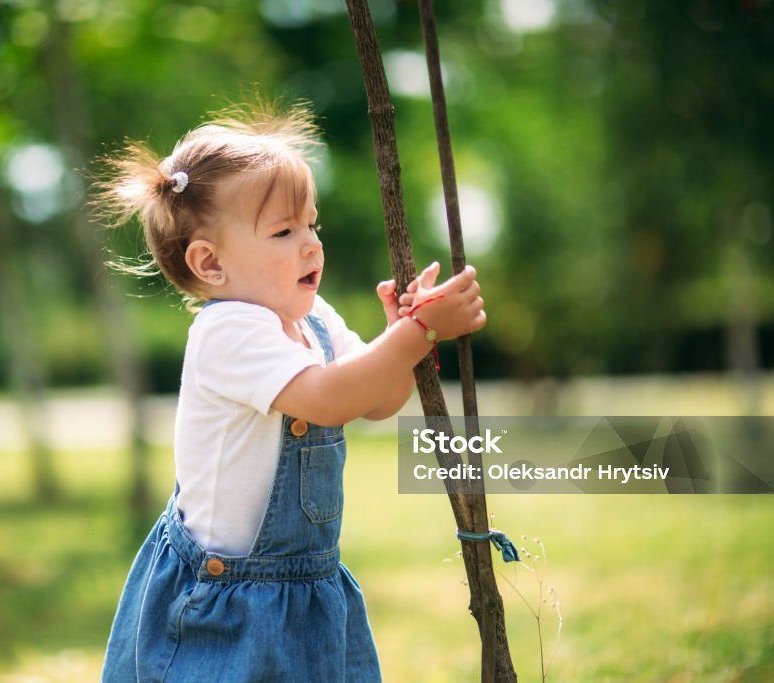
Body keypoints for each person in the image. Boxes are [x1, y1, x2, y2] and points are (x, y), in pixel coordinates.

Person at [96, 101, 486, 682]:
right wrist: (418, 332)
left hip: (305, 589)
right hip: (223, 597)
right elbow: (327, 398)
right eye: (284, 231)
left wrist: (399, 338)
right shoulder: (226, 331)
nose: (310, 244)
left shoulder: (317, 320)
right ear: (210, 263)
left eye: (312, 225)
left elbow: (375, 401)